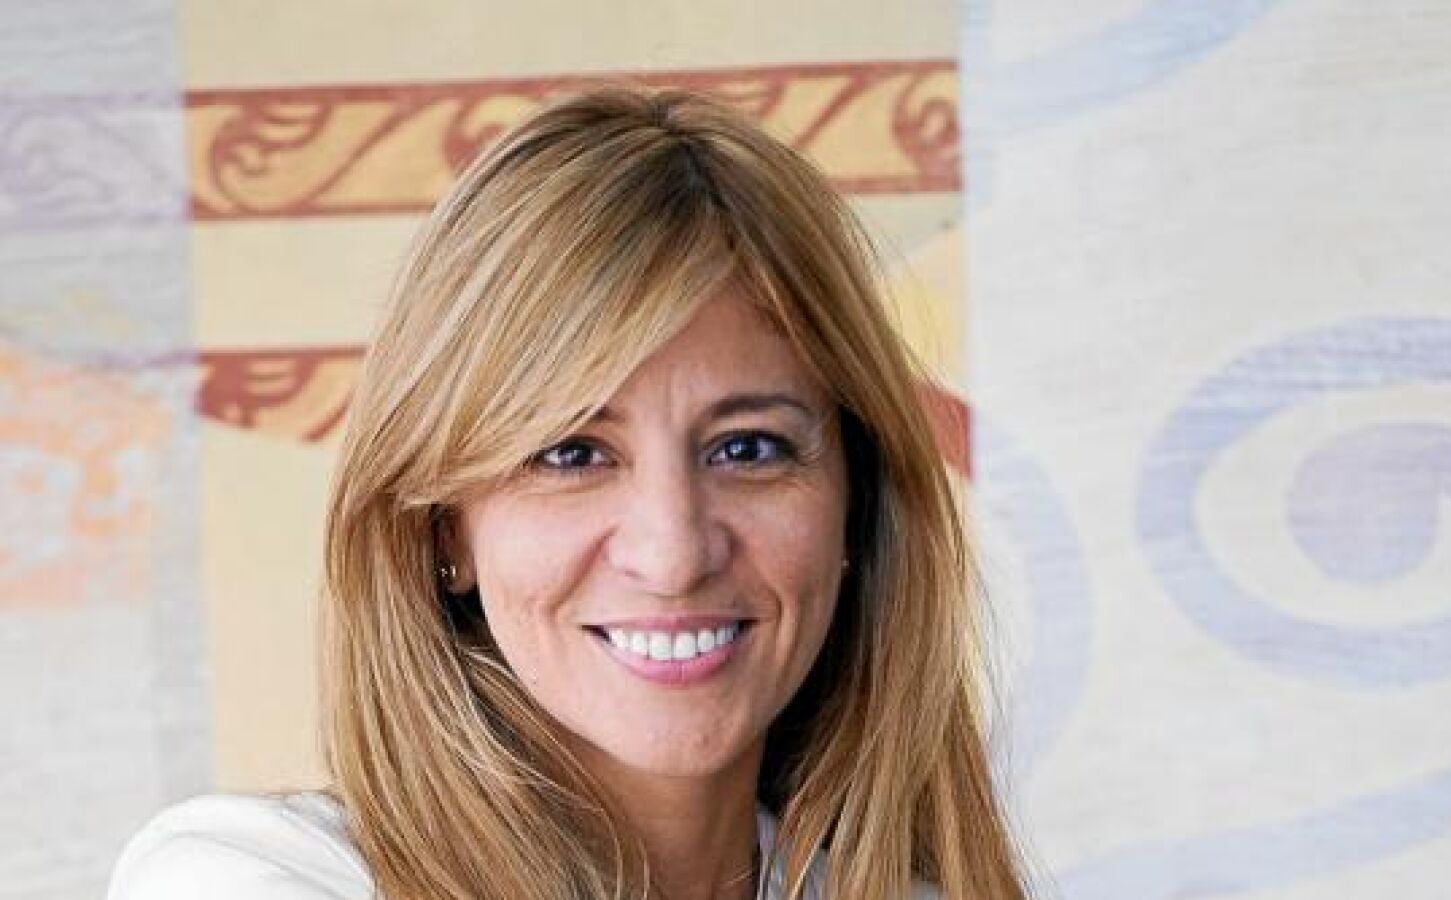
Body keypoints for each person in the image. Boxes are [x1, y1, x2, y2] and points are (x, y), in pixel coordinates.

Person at [108, 84, 1027, 900]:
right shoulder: (239, 880)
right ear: (443, 530)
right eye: (572, 454)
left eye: (747, 448)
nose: (673, 554)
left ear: (854, 508)